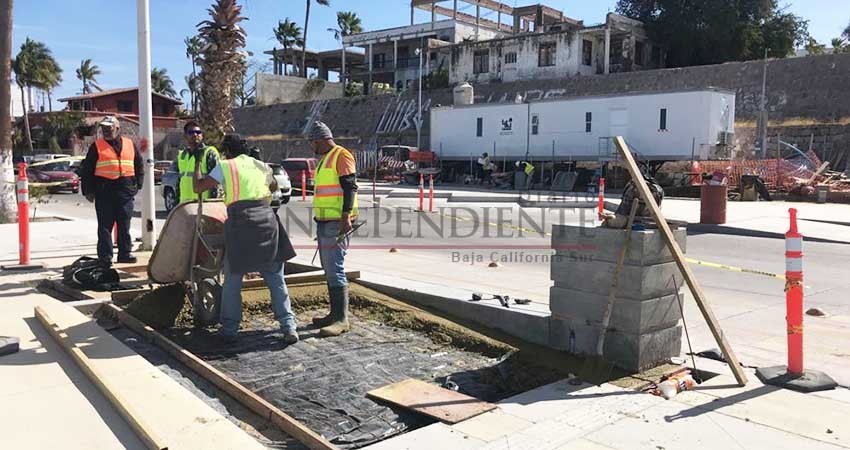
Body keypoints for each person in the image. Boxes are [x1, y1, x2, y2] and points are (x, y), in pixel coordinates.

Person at [192, 133, 298, 344]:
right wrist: (260, 166)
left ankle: (230, 329)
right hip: (267, 222)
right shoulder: (261, 165)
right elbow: (275, 188)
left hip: (241, 225)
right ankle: (289, 326)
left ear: (228, 151)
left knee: (233, 278)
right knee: (276, 278)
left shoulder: (226, 166)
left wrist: (197, 162)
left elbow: (198, 187)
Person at [307, 121, 358, 337]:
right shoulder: (325, 159)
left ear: (320, 140)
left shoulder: (341, 155)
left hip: (337, 222)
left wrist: (346, 216)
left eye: (312, 143)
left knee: (335, 267)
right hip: (325, 221)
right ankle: (333, 314)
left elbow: (350, 186)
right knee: (328, 267)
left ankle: (341, 319)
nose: (311, 148)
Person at [80, 116, 143, 266]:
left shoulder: (129, 144)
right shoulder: (97, 146)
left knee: (124, 225)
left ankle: (125, 253)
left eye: (109, 128)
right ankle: (105, 257)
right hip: (104, 191)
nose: (106, 131)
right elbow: (87, 170)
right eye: (104, 128)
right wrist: (88, 191)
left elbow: (139, 164)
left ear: (117, 128)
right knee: (105, 227)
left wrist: (138, 184)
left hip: (125, 191)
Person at [176, 121, 220, 203]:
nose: (195, 134)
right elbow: (179, 181)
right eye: (191, 132)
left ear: (202, 135)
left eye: (198, 132)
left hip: (202, 205)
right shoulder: (182, 155)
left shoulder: (209, 153)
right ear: (185, 136)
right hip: (185, 205)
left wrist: (212, 204)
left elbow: (215, 183)